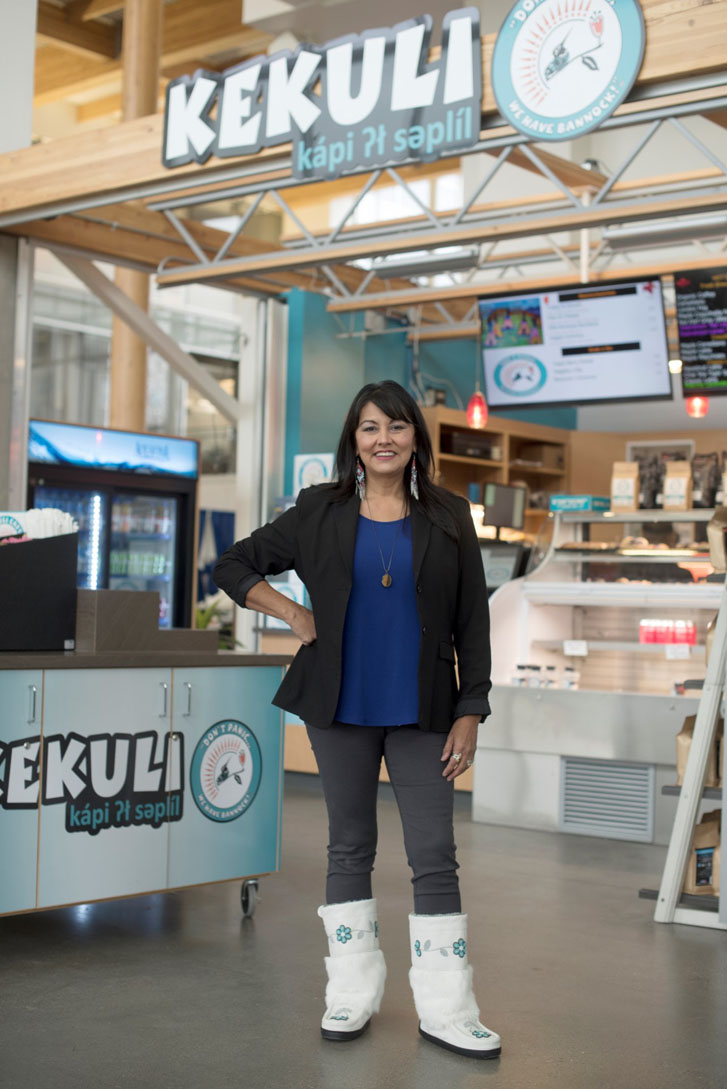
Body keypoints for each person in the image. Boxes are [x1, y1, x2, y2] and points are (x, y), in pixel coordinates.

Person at [213, 380, 501, 1060]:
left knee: (433, 853)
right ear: (354, 438)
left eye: (396, 426)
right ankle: (349, 990)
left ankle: (448, 1006)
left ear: (413, 439)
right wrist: (291, 613)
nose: (383, 439)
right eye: (370, 427)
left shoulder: (449, 516)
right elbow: (233, 564)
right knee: (348, 846)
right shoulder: (317, 510)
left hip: (425, 707)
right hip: (338, 705)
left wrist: (472, 708)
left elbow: (473, 622)